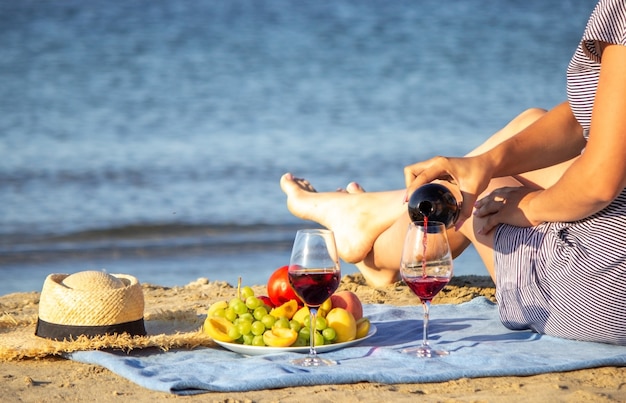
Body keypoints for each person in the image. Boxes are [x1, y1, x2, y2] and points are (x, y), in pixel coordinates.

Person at [280, 0, 626, 345]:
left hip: (606, 288)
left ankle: (370, 230)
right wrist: (486, 161)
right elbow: (592, 111)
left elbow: (598, 184)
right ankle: (371, 227)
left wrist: (527, 206)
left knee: (473, 195)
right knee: (525, 128)